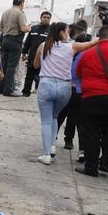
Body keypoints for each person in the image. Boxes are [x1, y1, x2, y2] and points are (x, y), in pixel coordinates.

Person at [32, 22, 97, 165]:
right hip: (64, 88)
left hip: (46, 85)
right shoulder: (72, 47)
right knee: (55, 117)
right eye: (67, 31)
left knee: (46, 121)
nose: (68, 33)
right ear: (61, 33)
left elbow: (35, 65)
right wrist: (102, 37)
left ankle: (46, 154)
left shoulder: (43, 46)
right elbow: (90, 44)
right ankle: (52, 146)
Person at [75, 25, 108, 176]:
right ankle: (105, 163)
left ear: (99, 37)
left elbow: (78, 73)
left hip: (92, 98)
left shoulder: (87, 53)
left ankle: (91, 167)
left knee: (91, 132)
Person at [57, 20, 91, 159]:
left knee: (61, 115)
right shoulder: (87, 54)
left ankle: (53, 138)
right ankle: (73, 144)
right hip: (80, 91)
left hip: (69, 87)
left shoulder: (72, 52)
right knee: (76, 119)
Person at [0, 0, 31, 96]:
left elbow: (1, 28)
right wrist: (29, 28)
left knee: (4, 65)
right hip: (15, 41)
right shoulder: (20, 13)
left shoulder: (5, 12)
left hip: (5, 40)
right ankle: (9, 90)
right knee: (12, 67)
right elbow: (23, 28)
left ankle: (1, 88)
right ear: (22, 3)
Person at [21, 11, 52, 96]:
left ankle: (40, 92)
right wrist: (24, 52)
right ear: (40, 18)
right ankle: (26, 92)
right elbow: (27, 42)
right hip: (32, 56)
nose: (46, 19)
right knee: (29, 75)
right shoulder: (33, 28)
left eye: (48, 18)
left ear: (50, 19)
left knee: (42, 76)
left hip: (45, 58)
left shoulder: (51, 31)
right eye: (44, 17)